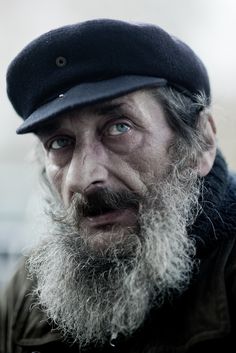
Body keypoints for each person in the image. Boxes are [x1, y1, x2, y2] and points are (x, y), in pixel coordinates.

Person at [1, 18, 236, 353]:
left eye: (119, 128)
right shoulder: (31, 294)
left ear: (201, 142)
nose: (84, 178)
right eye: (59, 143)